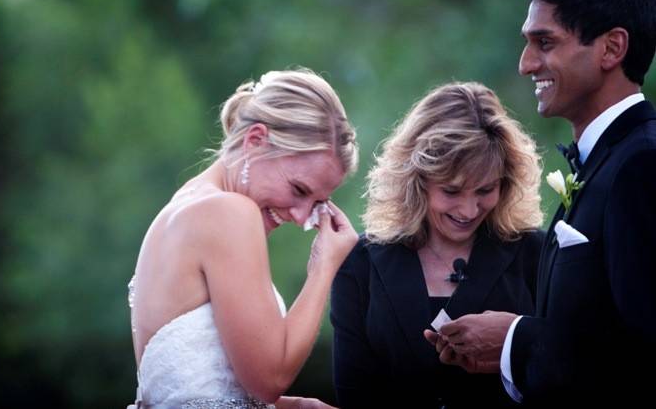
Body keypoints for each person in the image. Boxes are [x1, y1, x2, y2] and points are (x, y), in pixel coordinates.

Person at [427, 0, 656, 407]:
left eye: (545, 43)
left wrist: (514, 340)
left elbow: (643, 357)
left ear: (612, 48)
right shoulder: (605, 162)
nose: (526, 64)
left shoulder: (642, 165)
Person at [127, 68, 359, 408]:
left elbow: (194, 393)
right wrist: (324, 268)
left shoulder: (190, 204)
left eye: (317, 204)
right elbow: (269, 380)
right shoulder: (228, 213)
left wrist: (298, 405)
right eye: (298, 189)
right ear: (255, 141)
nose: (300, 217)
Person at [330, 82, 544, 408]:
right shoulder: (360, 263)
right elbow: (353, 393)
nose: (469, 210)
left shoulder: (537, 255)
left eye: (485, 190)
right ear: (417, 181)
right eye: (452, 191)